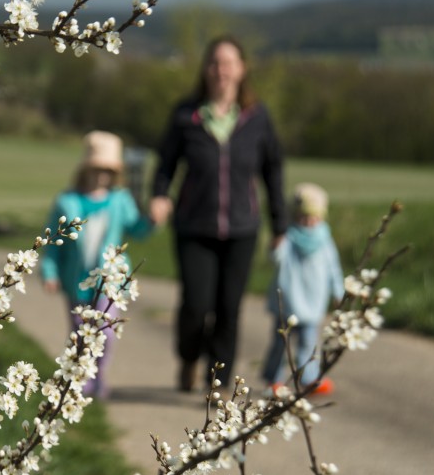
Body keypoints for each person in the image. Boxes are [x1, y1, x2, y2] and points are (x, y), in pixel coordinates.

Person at [149, 35, 287, 392]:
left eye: (228, 63)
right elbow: (165, 164)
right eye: (214, 63)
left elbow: (273, 171)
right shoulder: (186, 115)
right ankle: (188, 357)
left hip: (242, 229)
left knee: (229, 309)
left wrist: (280, 225)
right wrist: (160, 196)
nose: (220, 70)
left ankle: (218, 385)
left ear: (241, 70)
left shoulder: (257, 117)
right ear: (205, 69)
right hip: (194, 226)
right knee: (196, 307)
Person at [41, 130, 158, 399]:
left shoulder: (120, 200)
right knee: (80, 333)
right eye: (97, 169)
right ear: (86, 169)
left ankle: (97, 376)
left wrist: (151, 220)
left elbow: (136, 230)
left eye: (107, 170)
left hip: (109, 282)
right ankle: (79, 378)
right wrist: (49, 272)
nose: (101, 176)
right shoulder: (67, 201)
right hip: (77, 282)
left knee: (105, 332)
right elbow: (52, 241)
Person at [261, 183, 344, 395]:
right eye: (303, 217)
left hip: (313, 303)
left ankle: (308, 378)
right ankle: (274, 380)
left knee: (309, 344)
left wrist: (339, 292)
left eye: (314, 218)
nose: (308, 222)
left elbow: (333, 267)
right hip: (288, 302)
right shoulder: (288, 236)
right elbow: (276, 257)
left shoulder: (325, 240)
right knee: (281, 346)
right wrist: (275, 243)